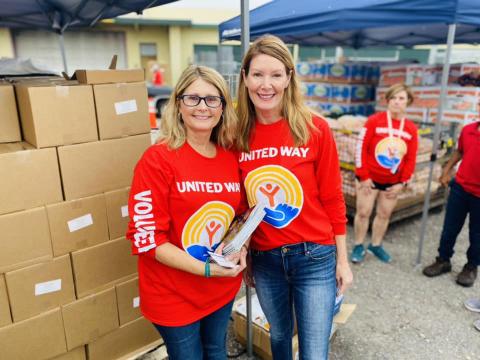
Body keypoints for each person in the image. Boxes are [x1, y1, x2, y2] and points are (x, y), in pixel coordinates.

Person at [236, 35, 353, 360]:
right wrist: (244, 248)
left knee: (314, 351)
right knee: (280, 338)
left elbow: (332, 198)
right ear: (244, 77)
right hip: (265, 259)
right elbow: (242, 205)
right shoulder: (237, 134)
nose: (266, 84)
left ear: (289, 77)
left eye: (275, 75)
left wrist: (343, 261)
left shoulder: (314, 128)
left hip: (314, 256)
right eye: (258, 74)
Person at [126, 65, 247, 360]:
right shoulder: (157, 159)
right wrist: (206, 269)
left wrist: (241, 245)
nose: (202, 107)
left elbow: (240, 215)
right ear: (178, 103)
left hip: (220, 286)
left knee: (216, 350)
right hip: (173, 292)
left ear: (223, 106)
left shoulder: (230, 155)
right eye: (193, 98)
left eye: (212, 99)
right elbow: (147, 239)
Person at [351, 84, 418, 263]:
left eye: (401, 98)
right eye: (393, 98)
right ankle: (358, 245)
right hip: (369, 179)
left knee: (384, 214)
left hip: (392, 182)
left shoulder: (411, 128)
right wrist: (363, 176)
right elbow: (361, 148)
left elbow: (411, 159)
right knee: (363, 212)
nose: (396, 102)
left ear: (408, 102)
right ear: (387, 100)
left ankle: (376, 245)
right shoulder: (374, 121)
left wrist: (402, 182)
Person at [423, 120, 480, 287]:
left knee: (477, 234)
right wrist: (446, 171)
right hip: (460, 188)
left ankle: (471, 267)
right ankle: (443, 260)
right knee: (449, 228)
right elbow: (459, 151)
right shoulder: (468, 130)